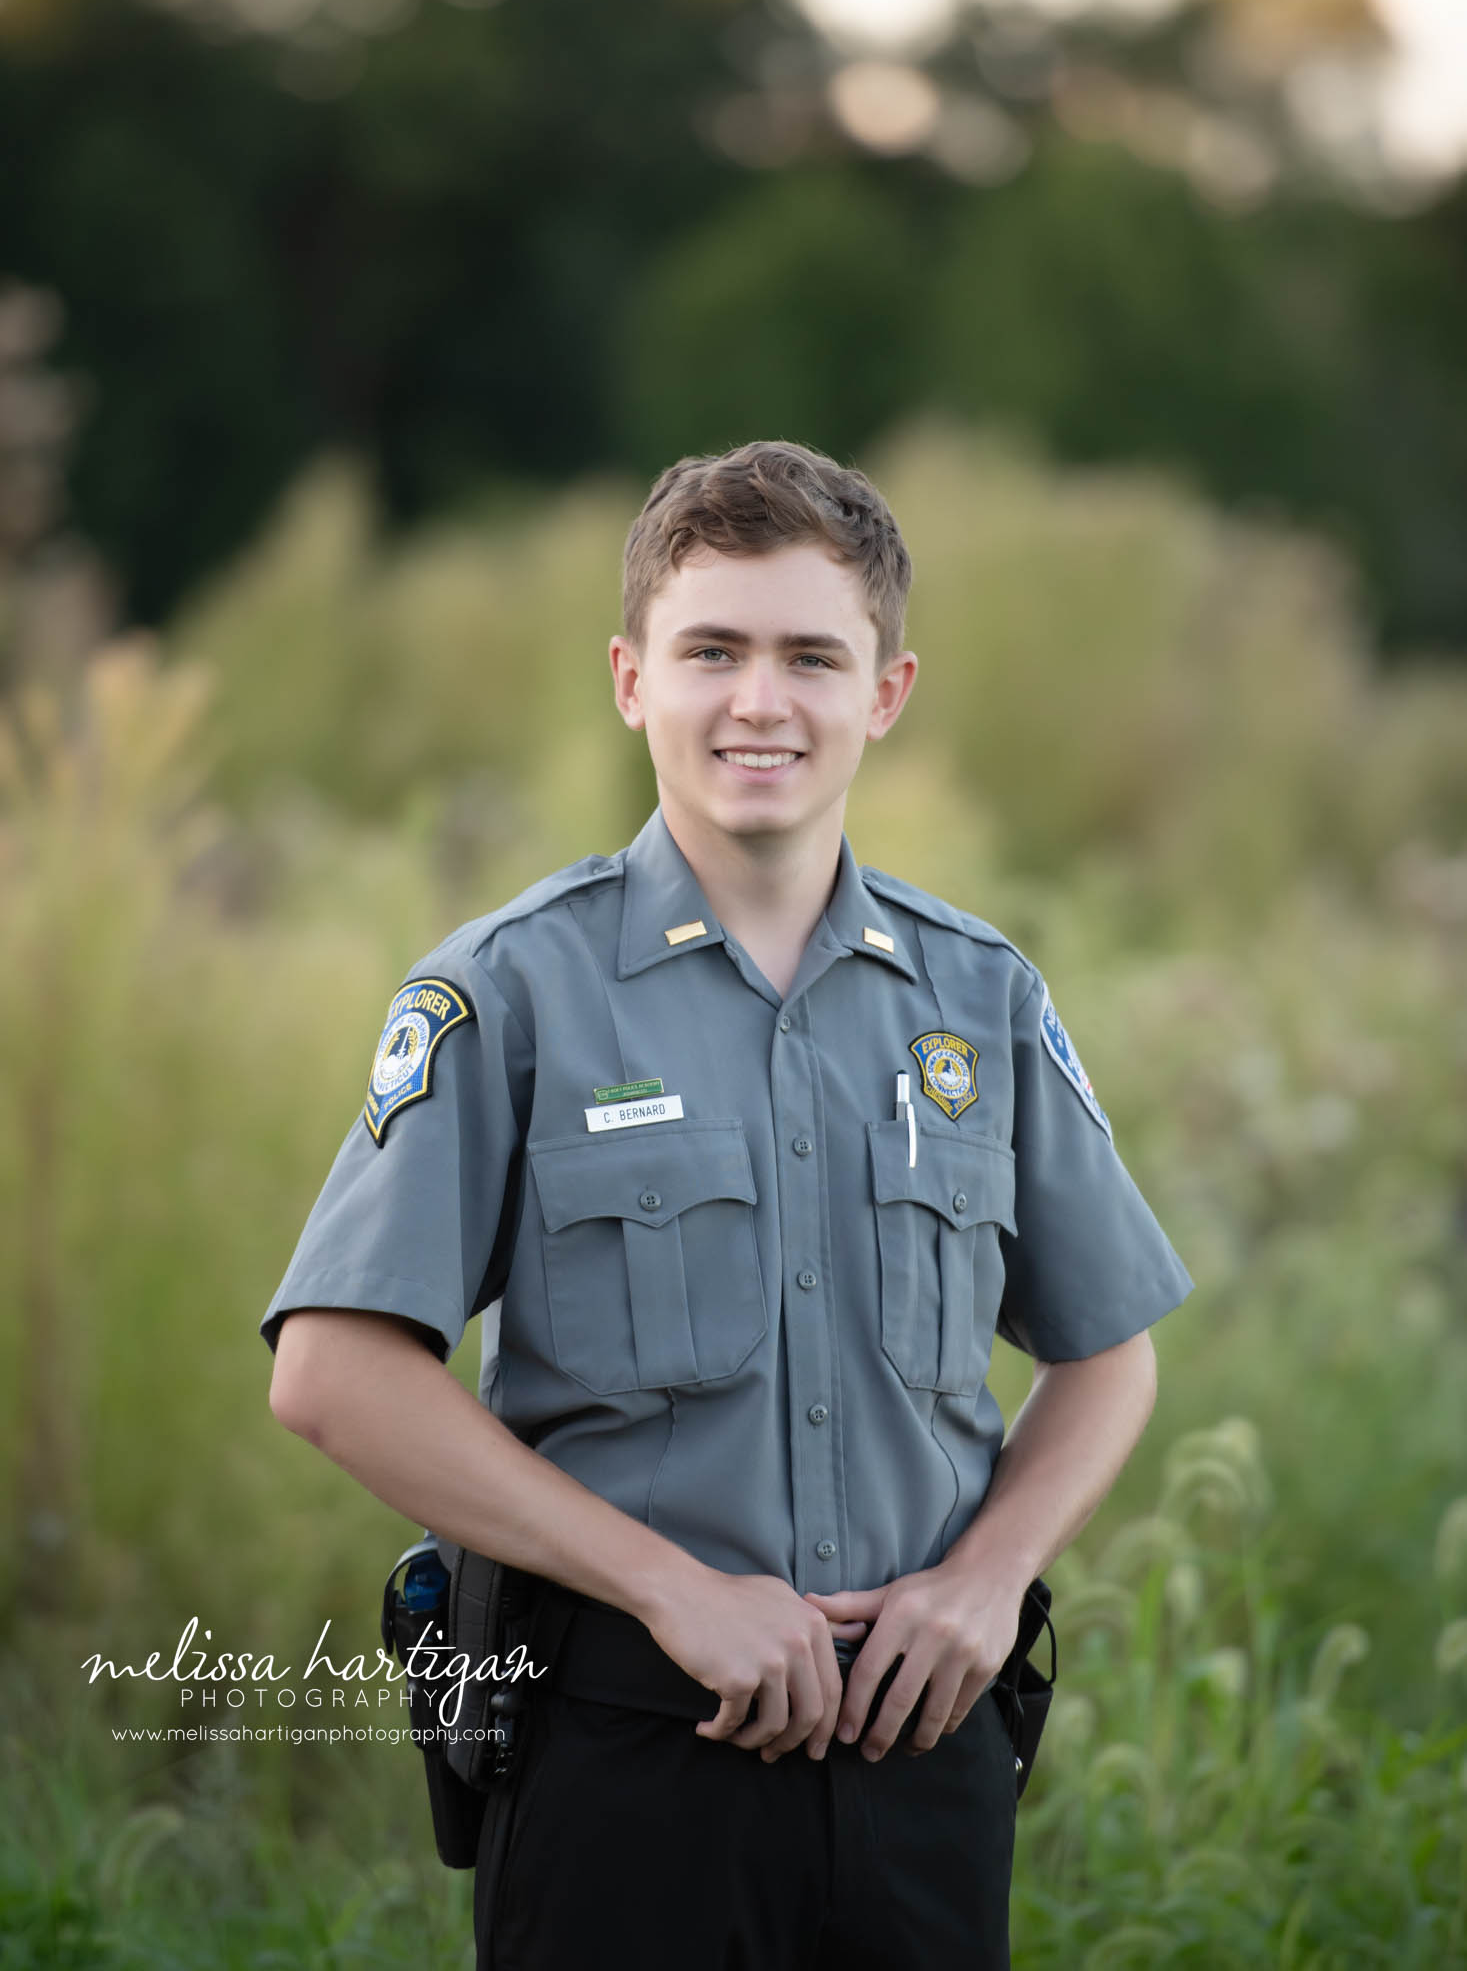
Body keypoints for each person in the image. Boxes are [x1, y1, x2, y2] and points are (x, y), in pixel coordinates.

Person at [263, 439, 1193, 1970]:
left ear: (884, 694)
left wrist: (987, 1578)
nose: (761, 701)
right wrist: (671, 1591)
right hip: (626, 1756)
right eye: (714, 651)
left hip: (925, 1767)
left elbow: (1110, 1352)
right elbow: (334, 1373)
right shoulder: (508, 991)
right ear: (632, 678)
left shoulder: (982, 999)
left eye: (812, 656)